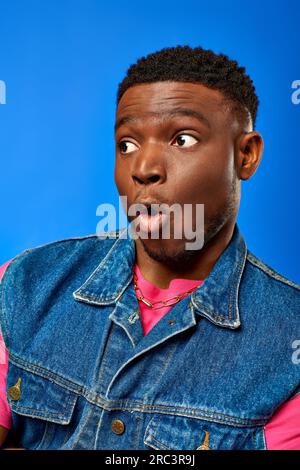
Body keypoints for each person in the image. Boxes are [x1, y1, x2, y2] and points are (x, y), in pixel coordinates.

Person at [0, 45, 299, 450]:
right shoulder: (26, 285)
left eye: (182, 139)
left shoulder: (288, 345)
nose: (143, 168)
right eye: (127, 144)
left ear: (245, 155)